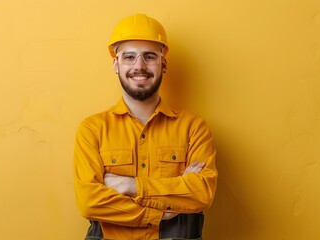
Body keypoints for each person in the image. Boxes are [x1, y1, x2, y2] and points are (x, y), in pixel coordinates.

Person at [73, 13, 217, 240]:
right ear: (116, 65)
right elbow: (89, 202)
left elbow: (201, 194)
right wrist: (163, 212)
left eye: (149, 57)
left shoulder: (193, 128)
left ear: (164, 64)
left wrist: (130, 186)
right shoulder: (92, 129)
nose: (139, 66)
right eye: (129, 57)